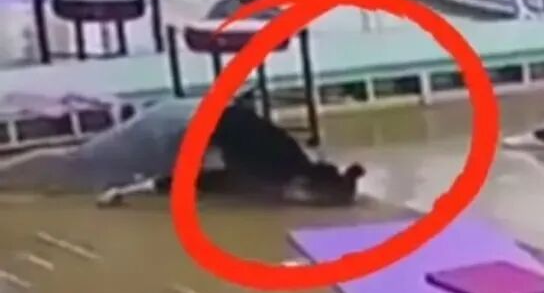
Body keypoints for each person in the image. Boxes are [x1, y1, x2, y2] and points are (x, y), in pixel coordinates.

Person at [0, 96, 364, 206]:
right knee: (78, 167)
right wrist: (129, 193)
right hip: (174, 128)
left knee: (82, 171)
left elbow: (204, 180)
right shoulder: (273, 168)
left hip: (187, 117)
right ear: (305, 185)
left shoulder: (286, 163)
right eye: (309, 199)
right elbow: (198, 179)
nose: (300, 203)